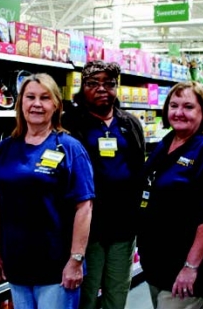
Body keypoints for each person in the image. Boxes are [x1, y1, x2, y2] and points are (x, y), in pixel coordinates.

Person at [0, 73, 95, 309]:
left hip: (56, 267)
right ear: (21, 103)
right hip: (16, 263)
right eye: (30, 97)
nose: (37, 104)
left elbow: (84, 208)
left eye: (44, 98)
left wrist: (76, 260)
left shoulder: (70, 148)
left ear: (56, 105)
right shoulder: (5, 149)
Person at [137, 81, 203, 309]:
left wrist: (191, 266)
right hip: (158, 262)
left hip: (186, 266)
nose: (179, 112)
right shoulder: (166, 142)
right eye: (173, 105)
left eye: (188, 107)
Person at [62, 60, 146, 309]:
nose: (101, 89)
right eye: (93, 83)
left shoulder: (129, 123)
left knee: (117, 291)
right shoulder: (71, 123)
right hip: (88, 227)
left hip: (123, 226)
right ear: (82, 87)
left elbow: (138, 168)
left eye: (109, 84)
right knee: (85, 294)